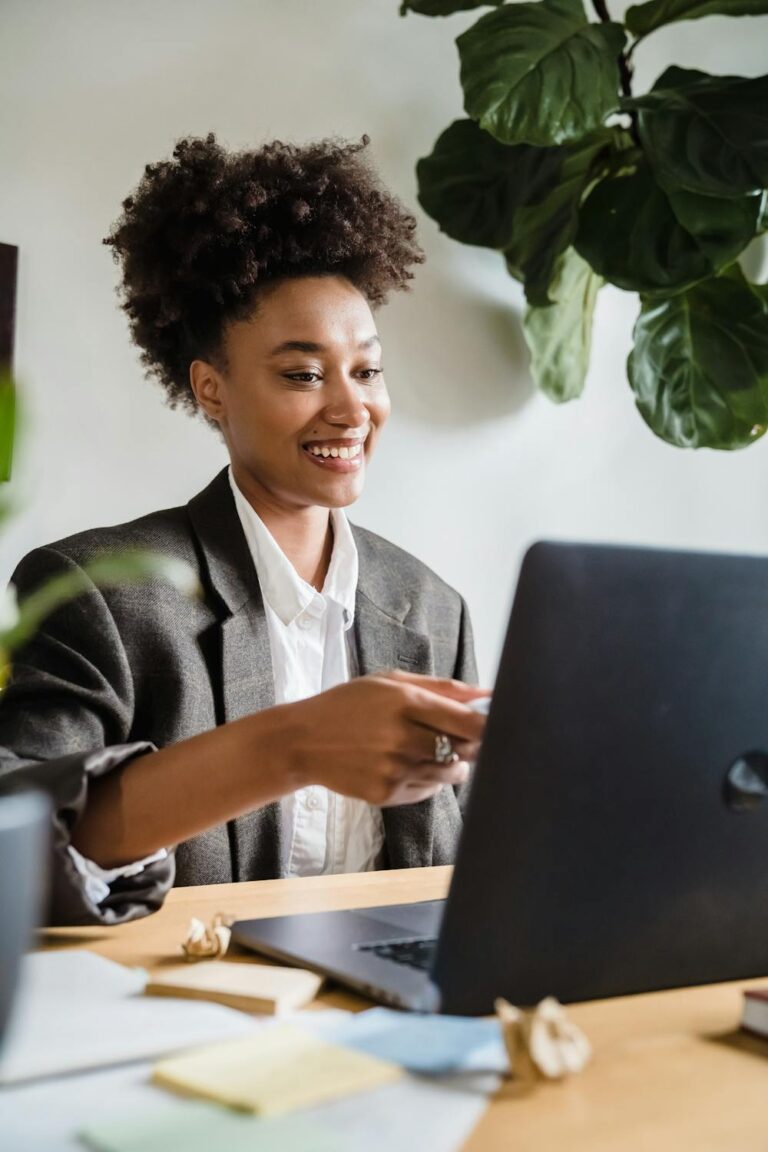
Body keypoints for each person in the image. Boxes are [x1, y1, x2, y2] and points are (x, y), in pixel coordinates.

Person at [0, 134, 487, 927]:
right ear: (211, 390)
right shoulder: (103, 593)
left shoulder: (433, 609)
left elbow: (466, 874)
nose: (351, 408)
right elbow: (20, 842)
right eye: (303, 374)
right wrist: (293, 744)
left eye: (366, 370)